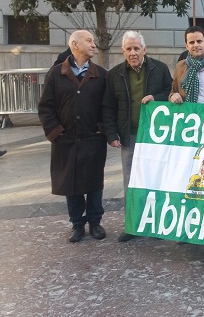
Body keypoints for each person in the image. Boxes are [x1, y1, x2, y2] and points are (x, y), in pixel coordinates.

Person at [38, 30, 108, 243]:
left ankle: (95, 222)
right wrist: (56, 133)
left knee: (95, 182)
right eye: (89, 41)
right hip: (65, 140)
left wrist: (102, 128)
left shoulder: (101, 74)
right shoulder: (57, 73)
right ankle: (77, 224)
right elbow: (45, 107)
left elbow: (107, 105)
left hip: (92, 139)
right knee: (71, 182)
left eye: (94, 41)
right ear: (75, 44)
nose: (93, 45)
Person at [102, 31, 172, 242]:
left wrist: (156, 97)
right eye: (128, 49)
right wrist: (111, 134)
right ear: (123, 51)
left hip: (155, 136)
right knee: (131, 182)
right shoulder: (114, 74)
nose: (133, 53)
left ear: (144, 49)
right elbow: (108, 106)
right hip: (129, 135)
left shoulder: (159, 69)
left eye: (136, 48)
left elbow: (171, 93)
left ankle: (157, 224)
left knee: (157, 179)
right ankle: (133, 225)